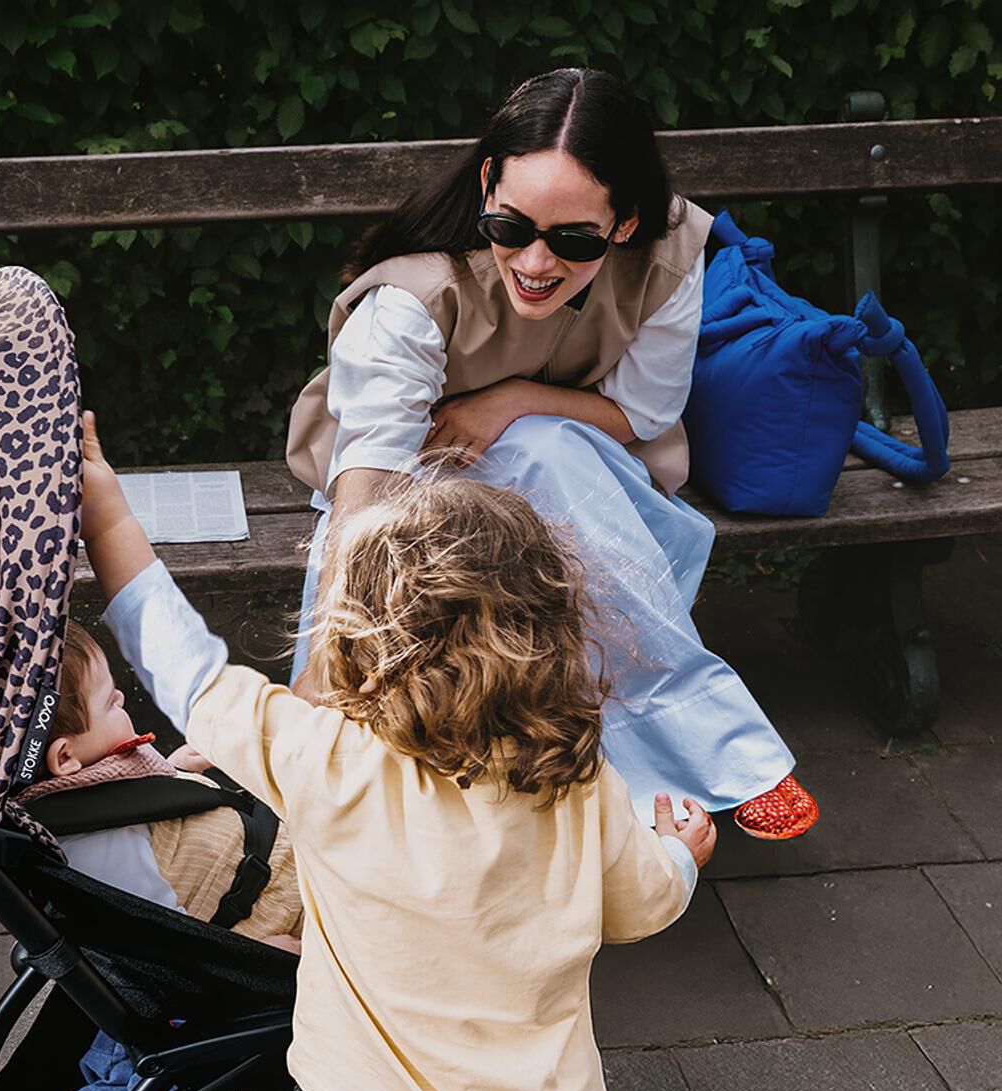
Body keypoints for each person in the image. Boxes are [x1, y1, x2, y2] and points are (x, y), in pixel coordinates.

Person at [77, 407, 716, 1091]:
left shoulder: (330, 766)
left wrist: (107, 510)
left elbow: (180, 663)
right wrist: (685, 851)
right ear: (554, 630)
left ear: (359, 644)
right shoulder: (576, 777)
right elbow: (642, 901)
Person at [285, 66, 817, 842]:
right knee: (525, 475)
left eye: (573, 240)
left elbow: (643, 411)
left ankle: (663, 772)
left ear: (626, 223)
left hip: (585, 478)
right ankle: (713, 751)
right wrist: (326, 662)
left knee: (545, 448)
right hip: (419, 486)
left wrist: (511, 402)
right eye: (511, 228)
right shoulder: (412, 298)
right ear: (488, 187)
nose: (536, 263)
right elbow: (370, 485)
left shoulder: (669, 255)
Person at [18, 619, 303, 949]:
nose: (122, 699)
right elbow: (168, 942)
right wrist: (267, 957)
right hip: (283, 914)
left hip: (277, 863)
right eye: (110, 702)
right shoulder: (96, 846)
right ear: (65, 758)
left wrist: (172, 771)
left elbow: (133, 810)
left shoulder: (80, 803)